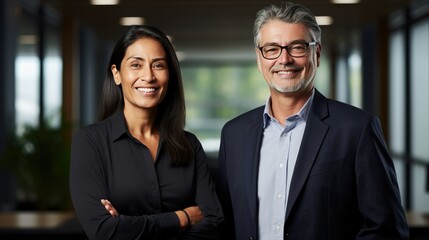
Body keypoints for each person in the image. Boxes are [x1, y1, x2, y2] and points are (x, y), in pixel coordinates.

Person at [215, 2, 409, 239]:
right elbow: (223, 224)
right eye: (272, 49)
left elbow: (386, 230)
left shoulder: (357, 129)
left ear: (316, 54)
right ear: (259, 58)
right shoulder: (233, 134)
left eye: (297, 47)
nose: (284, 59)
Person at [69, 25, 223, 240]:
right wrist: (182, 218)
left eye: (158, 65)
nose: (148, 76)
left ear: (170, 74)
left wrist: (127, 225)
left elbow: (213, 223)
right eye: (136, 65)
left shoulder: (190, 145)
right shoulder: (90, 142)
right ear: (117, 74)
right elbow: (103, 230)